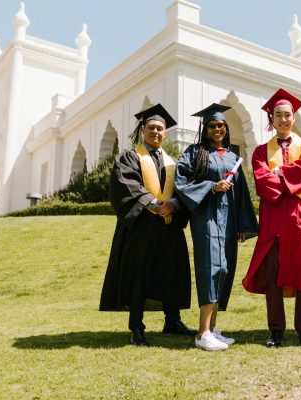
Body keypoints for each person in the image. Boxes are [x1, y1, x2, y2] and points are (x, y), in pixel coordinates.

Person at [99, 103, 196, 346]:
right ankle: (136, 326)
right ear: (143, 129)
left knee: (171, 273)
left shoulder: (174, 162)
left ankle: (172, 320)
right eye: (151, 127)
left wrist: (172, 203)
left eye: (160, 129)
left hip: (170, 226)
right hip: (142, 226)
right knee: (139, 274)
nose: (156, 132)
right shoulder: (131, 157)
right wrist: (154, 204)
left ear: (165, 133)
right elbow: (126, 185)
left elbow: (184, 188)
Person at [175, 103, 258, 351]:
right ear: (205, 129)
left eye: (221, 125)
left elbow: (242, 194)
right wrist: (212, 186)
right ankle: (202, 333)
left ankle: (213, 329)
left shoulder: (233, 158)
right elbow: (182, 183)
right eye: (212, 126)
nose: (217, 129)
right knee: (210, 268)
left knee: (224, 269)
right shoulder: (194, 153)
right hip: (207, 219)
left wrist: (243, 224)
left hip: (229, 221)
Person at [242, 88, 301, 348]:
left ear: (294, 118)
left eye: (288, 115)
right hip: (274, 215)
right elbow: (263, 183)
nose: (283, 120)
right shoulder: (261, 151)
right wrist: (287, 177)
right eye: (278, 116)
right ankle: (276, 329)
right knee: (273, 270)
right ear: (271, 120)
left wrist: (278, 174)